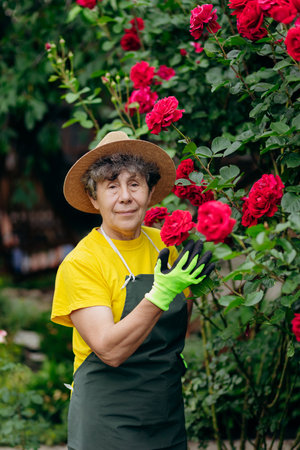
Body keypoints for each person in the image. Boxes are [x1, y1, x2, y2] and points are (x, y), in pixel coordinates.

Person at [51, 131, 214, 450]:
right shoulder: (82, 263)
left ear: (150, 191)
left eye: (134, 183)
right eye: (112, 186)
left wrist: (185, 288)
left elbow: (176, 331)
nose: (125, 197)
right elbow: (110, 350)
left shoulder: (166, 245)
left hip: (165, 417)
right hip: (107, 424)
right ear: (94, 198)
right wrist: (162, 292)